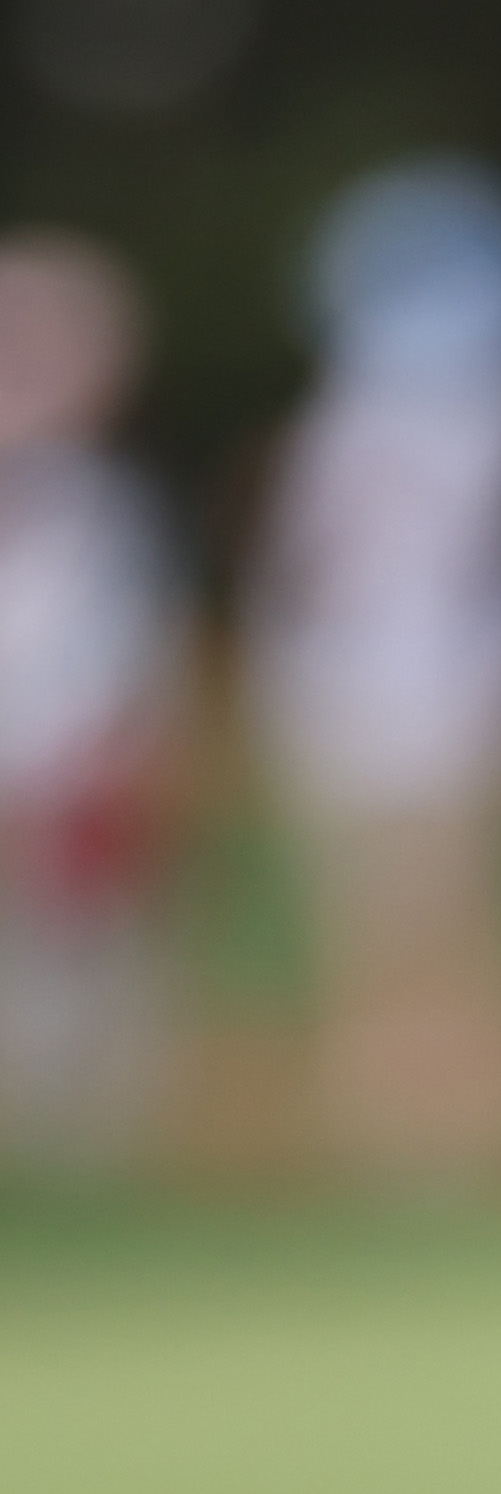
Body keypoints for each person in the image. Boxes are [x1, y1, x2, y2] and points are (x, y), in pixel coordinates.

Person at [246, 157, 501, 1178]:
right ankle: (430, 1139)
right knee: (433, 929)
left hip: (374, 699)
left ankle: (421, 1138)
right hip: (432, 699)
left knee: (395, 932)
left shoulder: (352, 426)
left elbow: (301, 571)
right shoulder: (487, 416)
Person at [0, 229, 184, 1172]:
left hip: (71, 753)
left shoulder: (102, 504)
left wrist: (117, 745)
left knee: (79, 945)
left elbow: (129, 645)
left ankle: (80, 1136)